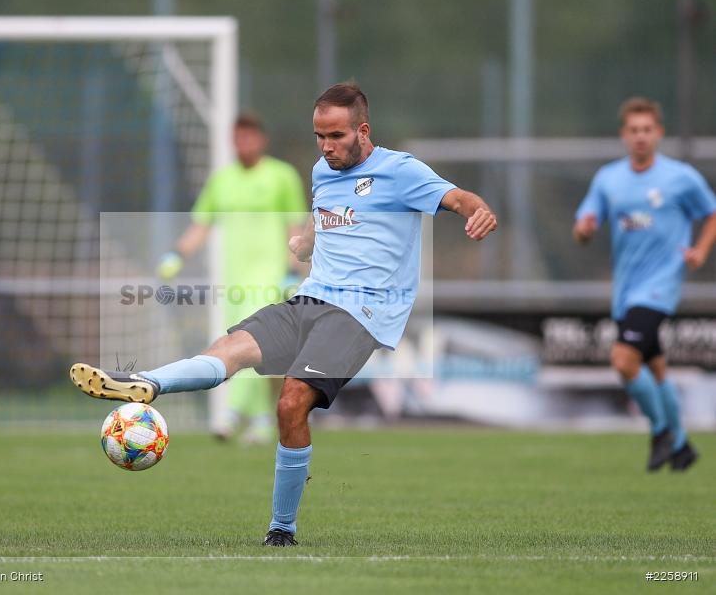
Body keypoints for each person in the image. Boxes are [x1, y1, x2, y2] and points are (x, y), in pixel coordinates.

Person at [70, 83, 497, 546]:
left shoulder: (401, 171)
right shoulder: (323, 170)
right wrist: (306, 243)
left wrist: (479, 212)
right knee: (229, 348)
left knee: (291, 402)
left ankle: (282, 529)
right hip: (311, 298)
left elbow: (460, 198)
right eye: (319, 136)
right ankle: (148, 384)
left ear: (362, 131)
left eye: (336, 136)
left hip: (362, 313)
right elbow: (324, 214)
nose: (326, 146)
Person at [573, 96, 716, 472]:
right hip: (626, 291)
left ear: (659, 133)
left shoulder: (680, 177)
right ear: (624, 135)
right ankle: (681, 446)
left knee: (623, 360)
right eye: (634, 130)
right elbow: (584, 226)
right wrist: (584, 229)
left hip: (660, 287)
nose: (640, 136)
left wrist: (700, 251)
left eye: (647, 130)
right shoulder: (608, 179)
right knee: (656, 369)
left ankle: (660, 431)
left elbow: (712, 213)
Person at [156, 113, 307, 444]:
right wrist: (176, 255)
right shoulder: (221, 181)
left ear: (262, 140)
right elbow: (202, 224)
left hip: (269, 276)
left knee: (250, 341)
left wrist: (290, 270)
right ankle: (263, 421)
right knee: (246, 346)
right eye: (238, 137)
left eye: (250, 136)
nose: (244, 143)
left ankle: (230, 412)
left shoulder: (281, 176)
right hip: (234, 280)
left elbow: (295, 226)